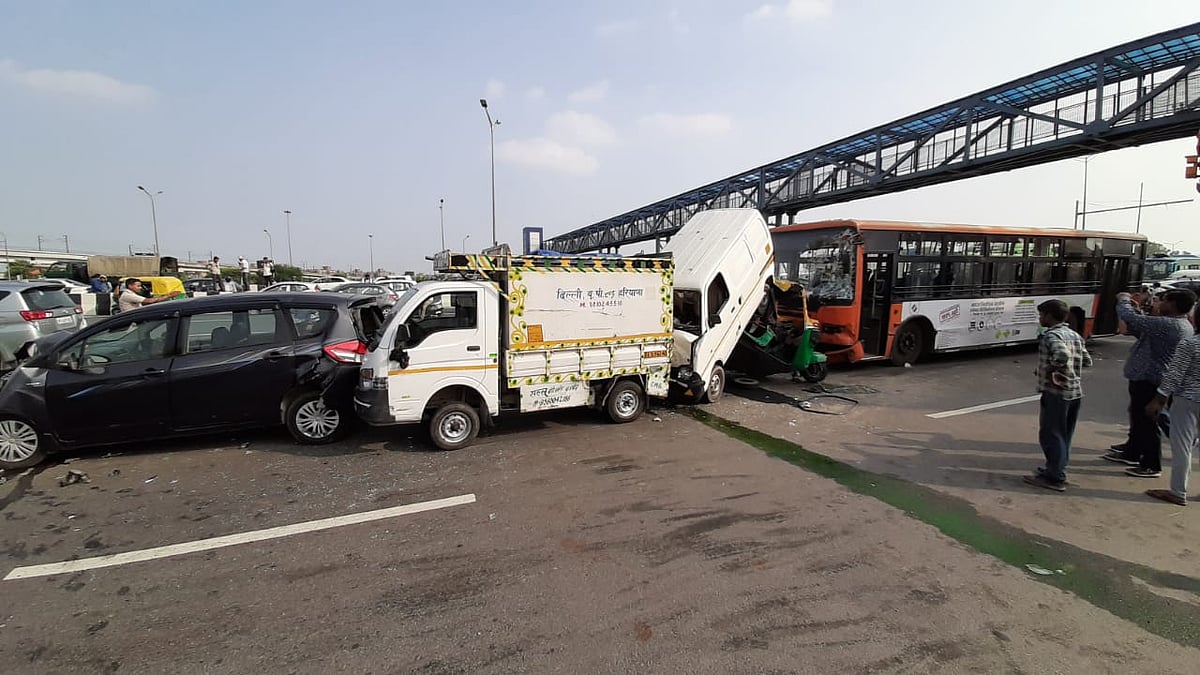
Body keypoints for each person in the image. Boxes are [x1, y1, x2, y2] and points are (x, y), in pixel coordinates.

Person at [1103, 289, 1195, 478]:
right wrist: (1137, 312)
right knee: (1137, 416)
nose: (1158, 304)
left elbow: (1131, 318)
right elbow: (1136, 328)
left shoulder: (1170, 324)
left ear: (1173, 304)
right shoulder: (1174, 324)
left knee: (1147, 422)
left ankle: (1151, 464)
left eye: (1163, 301)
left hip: (1150, 378)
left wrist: (1124, 300)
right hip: (1145, 376)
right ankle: (1133, 451)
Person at [1024, 299, 1093, 492]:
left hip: (1056, 392)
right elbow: (1087, 361)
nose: (1040, 318)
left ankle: (1055, 476)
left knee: (1051, 434)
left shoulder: (1051, 336)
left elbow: (1062, 356)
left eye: (1041, 314)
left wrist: (1048, 369)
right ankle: (1055, 468)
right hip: (1074, 392)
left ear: (1049, 316)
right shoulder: (1074, 335)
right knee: (1064, 434)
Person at [1145, 334, 1200, 506]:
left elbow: (1175, 374)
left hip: (1187, 399)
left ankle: (1178, 491)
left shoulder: (1191, 343)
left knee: (1182, 446)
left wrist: (1159, 399)